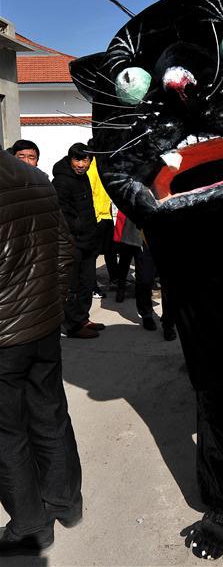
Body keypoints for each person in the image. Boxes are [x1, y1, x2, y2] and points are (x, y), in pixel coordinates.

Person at [0, 150, 83, 554]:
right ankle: (66, 504)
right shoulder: (33, 176)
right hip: (43, 326)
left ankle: (32, 524)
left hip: (5, 338)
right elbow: (65, 251)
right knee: (50, 416)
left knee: (8, 434)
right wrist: (51, 303)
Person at [52, 143, 104, 339]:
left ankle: (82, 318)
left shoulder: (83, 177)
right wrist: (80, 229)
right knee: (73, 286)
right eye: (77, 160)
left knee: (88, 283)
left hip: (89, 240)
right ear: (70, 159)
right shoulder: (62, 181)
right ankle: (72, 326)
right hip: (74, 242)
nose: (81, 164)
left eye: (85, 160)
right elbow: (63, 215)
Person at [87, 156, 114, 299]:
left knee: (110, 250)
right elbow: (90, 193)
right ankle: (92, 287)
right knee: (93, 255)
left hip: (106, 216)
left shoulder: (103, 166)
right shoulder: (93, 168)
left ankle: (114, 278)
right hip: (98, 217)